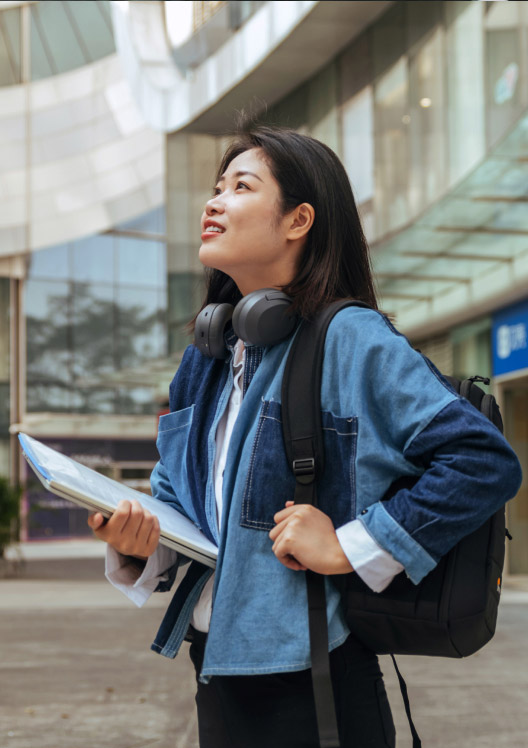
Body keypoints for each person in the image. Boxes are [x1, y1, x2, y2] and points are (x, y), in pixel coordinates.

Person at [88, 123, 522, 748]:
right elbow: (184, 510)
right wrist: (136, 544)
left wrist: (351, 544)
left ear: (299, 220)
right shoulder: (206, 358)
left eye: (241, 186)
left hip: (315, 687)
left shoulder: (351, 338)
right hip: (215, 670)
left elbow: (481, 461)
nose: (213, 202)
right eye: (215, 187)